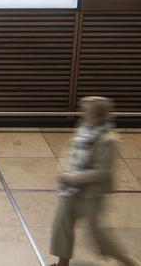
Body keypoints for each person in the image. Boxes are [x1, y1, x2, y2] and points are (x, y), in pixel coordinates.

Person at [50, 96, 139, 266]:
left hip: (91, 193)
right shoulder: (85, 129)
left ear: (98, 116)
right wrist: (62, 170)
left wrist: (72, 177)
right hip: (72, 190)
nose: (82, 114)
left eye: (86, 111)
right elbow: (71, 149)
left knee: (98, 234)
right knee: (62, 225)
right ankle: (62, 263)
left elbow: (103, 172)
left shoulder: (109, 140)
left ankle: (129, 262)